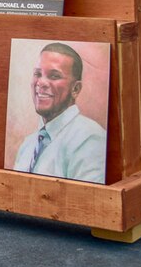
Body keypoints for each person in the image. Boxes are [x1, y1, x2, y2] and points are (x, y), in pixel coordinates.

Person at [13, 43, 107, 183]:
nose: (41, 82)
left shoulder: (90, 139)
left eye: (54, 76)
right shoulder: (28, 144)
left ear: (75, 89)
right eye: (37, 74)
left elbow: (86, 202)